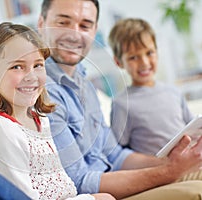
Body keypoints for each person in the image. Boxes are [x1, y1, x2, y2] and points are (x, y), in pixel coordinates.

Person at [37, 0, 202, 199]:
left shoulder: (86, 86)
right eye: (63, 22)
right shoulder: (41, 92)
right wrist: (169, 171)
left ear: (94, 31)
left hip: (116, 181)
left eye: (85, 25)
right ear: (41, 23)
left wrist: (172, 163)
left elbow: (114, 154)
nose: (75, 34)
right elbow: (78, 182)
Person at [0, 22, 115, 200]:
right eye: (17, 66)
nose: (31, 77)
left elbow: (63, 191)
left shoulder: (40, 121)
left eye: (38, 65)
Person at [108, 18, 194, 155]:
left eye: (149, 53)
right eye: (133, 57)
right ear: (119, 62)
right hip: (160, 170)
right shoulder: (122, 104)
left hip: (189, 160)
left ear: (157, 52)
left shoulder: (173, 92)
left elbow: (193, 127)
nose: (144, 62)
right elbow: (118, 151)